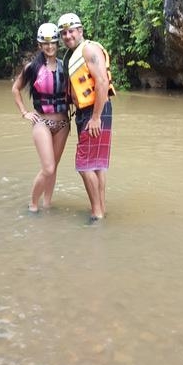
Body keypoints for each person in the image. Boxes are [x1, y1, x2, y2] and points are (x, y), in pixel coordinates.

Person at [57, 12, 115, 221]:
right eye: (63, 33)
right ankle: (101, 209)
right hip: (87, 111)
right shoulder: (73, 55)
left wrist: (96, 117)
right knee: (96, 164)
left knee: (83, 165)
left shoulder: (88, 49)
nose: (67, 36)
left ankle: (96, 213)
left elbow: (101, 82)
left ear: (80, 31)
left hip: (95, 111)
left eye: (70, 31)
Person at [12, 23, 70, 212]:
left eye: (53, 42)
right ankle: (33, 204)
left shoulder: (65, 66)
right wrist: (24, 112)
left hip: (63, 123)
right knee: (48, 168)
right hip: (41, 122)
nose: (50, 46)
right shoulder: (32, 68)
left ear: (57, 43)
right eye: (45, 43)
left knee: (54, 167)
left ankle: (47, 204)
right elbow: (16, 89)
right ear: (39, 45)